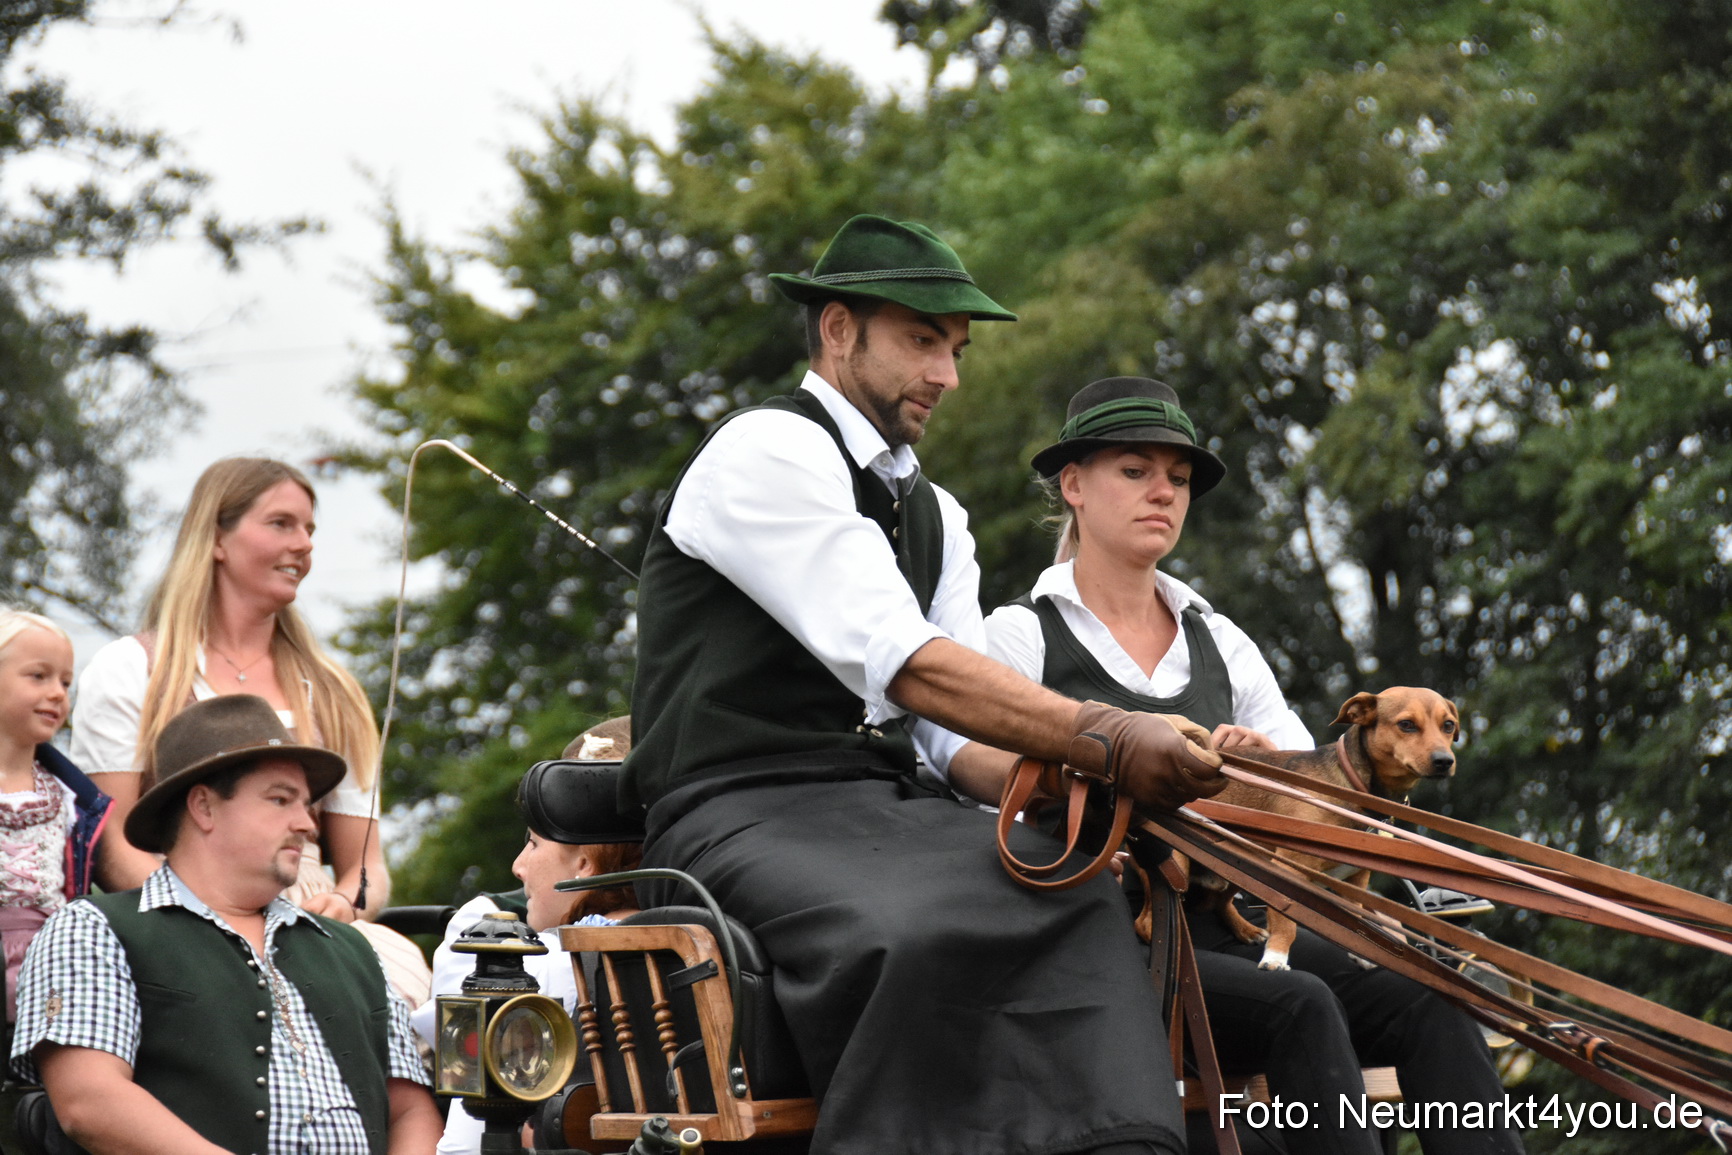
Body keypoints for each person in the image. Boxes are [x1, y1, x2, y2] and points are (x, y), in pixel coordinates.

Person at [622, 214, 1227, 1155]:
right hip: (733, 808)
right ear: (837, 330)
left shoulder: (938, 515)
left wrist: (1073, 790)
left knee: (1078, 892)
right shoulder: (764, 450)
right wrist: (1108, 734)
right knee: (905, 926)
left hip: (885, 809)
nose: (947, 374)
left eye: (955, 349)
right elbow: (907, 662)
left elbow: (952, 741)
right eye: (922, 340)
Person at [946, 376, 1523, 1155]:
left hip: (1232, 924)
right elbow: (971, 781)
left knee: (1433, 995)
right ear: (1073, 485)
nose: (1163, 492)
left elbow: (1318, 802)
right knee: (1302, 1003)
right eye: (1135, 470)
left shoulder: (1221, 641)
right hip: (1096, 939)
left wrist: (1266, 770)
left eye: (1179, 478)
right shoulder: (1018, 636)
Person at [10, 693, 441, 1155]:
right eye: (280, 799)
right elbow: (89, 1102)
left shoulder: (354, 949)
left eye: (306, 805)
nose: (307, 824)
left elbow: (412, 1111)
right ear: (204, 807)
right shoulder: (93, 930)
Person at [67, 457, 425, 998]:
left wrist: (342, 904)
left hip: (307, 920)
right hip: (173, 919)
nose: (303, 544)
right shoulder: (131, 669)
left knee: (407, 985)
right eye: (281, 523)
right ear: (216, 537)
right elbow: (113, 843)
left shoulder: (331, 689)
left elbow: (365, 866)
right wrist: (210, 919)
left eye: (309, 529)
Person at [415, 718, 642, 1155]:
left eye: (534, 843)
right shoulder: (710, 934)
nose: (518, 866)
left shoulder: (537, 961)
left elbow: (468, 1141)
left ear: (585, 862)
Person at [0, 609, 112, 1024]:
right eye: (38, 676)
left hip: (51, 966)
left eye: (65, 682)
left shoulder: (73, 798)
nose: (58, 693)